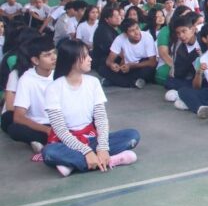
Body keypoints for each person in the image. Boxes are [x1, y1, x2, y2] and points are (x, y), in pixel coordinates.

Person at [41, 40, 140, 177]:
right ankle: (110, 160)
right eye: (86, 55)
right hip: (66, 142)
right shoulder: (54, 88)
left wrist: (103, 147)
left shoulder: (93, 82)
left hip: (91, 138)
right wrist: (87, 152)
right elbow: (61, 131)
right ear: (73, 59)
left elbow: (101, 118)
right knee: (49, 152)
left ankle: (73, 164)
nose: (90, 59)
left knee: (132, 135)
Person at [3, 37, 55, 152]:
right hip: (39, 126)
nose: (53, 58)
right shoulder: (26, 79)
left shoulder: (59, 75)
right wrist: (47, 130)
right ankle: (50, 139)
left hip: (60, 123)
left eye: (53, 53)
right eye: (47, 55)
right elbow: (18, 117)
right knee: (15, 129)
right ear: (35, 61)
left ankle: (49, 141)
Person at [102, 18, 157, 88]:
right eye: (132, 31)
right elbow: (108, 61)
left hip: (140, 66)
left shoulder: (147, 37)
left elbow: (153, 62)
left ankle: (113, 81)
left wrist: (131, 65)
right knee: (102, 68)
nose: (137, 32)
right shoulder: (120, 38)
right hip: (126, 68)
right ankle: (133, 82)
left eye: (137, 28)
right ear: (125, 34)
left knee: (149, 71)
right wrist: (112, 65)